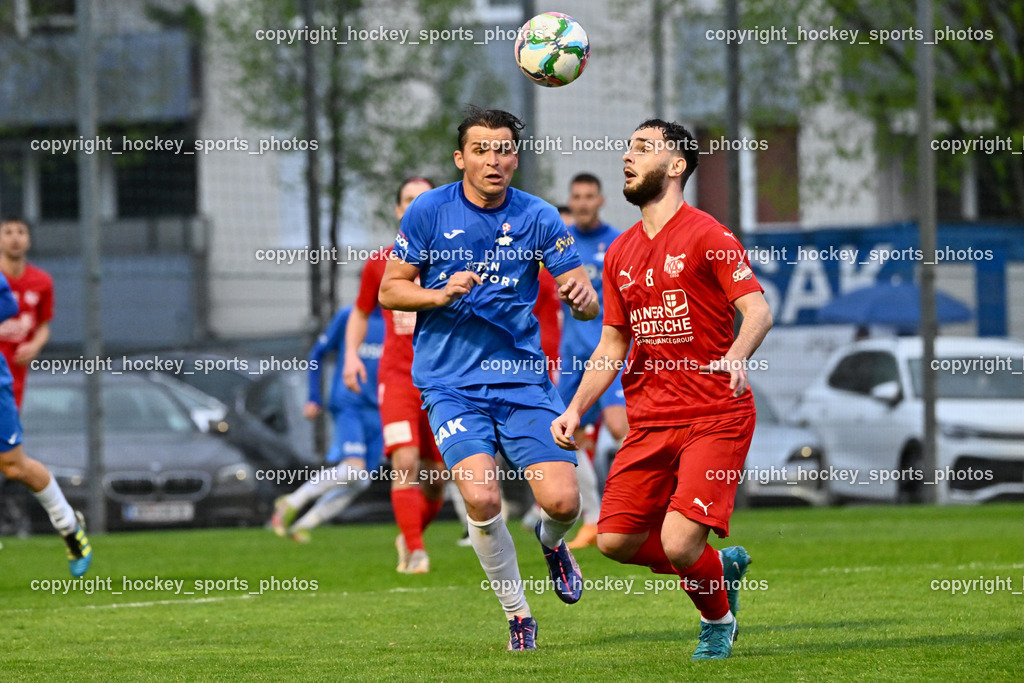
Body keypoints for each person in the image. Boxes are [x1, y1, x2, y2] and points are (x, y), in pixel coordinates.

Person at [378, 106, 599, 651]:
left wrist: (584, 298)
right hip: (450, 385)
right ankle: (519, 615)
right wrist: (439, 293)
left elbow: (584, 298)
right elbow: (390, 290)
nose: (493, 159)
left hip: (522, 383)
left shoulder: (541, 216)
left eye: (503, 149)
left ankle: (552, 543)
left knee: (564, 504)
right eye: (481, 149)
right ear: (461, 158)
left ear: (515, 158)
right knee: (480, 498)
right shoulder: (429, 211)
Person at [551, 120, 773, 660]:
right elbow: (611, 345)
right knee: (615, 540)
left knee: (678, 540)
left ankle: (716, 621)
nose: (628, 156)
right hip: (651, 418)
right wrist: (576, 408)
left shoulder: (709, 235)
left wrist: (736, 355)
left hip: (715, 414)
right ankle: (716, 570)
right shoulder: (621, 252)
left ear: (677, 167)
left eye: (644, 149)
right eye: (628, 147)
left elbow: (757, 310)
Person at [344, 177, 447, 574]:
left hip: (441, 379)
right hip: (398, 378)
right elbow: (360, 311)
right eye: (408, 200)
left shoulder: (452, 257)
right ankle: (417, 552)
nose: (414, 206)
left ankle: (409, 533)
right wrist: (351, 355)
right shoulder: (381, 261)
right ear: (398, 209)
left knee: (437, 478)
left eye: (423, 200)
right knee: (404, 461)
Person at [0, 218, 90, 576]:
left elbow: (9, 307)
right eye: (8, 231)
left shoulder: (35, 281)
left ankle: (69, 527)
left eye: (20, 231)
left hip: (3, 383)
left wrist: (34, 345)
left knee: (12, 465)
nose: (15, 238)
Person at [271, 305, 385, 543]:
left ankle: (303, 525)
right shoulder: (349, 316)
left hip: (379, 408)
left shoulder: (398, 320)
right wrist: (314, 395)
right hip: (348, 402)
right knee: (353, 469)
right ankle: (292, 501)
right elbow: (317, 353)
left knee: (361, 480)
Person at [558, 173, 627, 549]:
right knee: (563, 432)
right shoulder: (560, 245)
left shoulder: (615, 242)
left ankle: (650, 508)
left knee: (621, 427)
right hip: (571, 356)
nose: (583, 202)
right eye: (577, 196)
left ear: (601, 200)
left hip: (608, 353)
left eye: (589, 196)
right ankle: (593, 517)